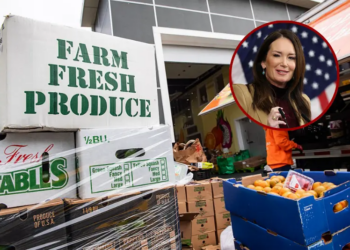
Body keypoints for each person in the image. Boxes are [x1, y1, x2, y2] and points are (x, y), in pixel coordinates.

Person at [232, 29, 311, 129]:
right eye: (277, 55)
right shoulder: (243, 93)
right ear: (263, 62)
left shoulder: (304, 100)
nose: (284, 64)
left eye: (291, 57)